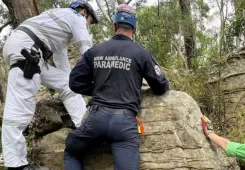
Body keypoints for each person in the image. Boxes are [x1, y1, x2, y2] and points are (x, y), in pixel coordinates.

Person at [63, 4, 169, 170]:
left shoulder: (94, 51)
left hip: (95, 120)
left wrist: (98, 89)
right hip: (124, 125)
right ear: (134, 29)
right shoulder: (141, 53)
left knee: (72, 152)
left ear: (114, 26)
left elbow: (74, 82)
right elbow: (160, 87)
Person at [1, 0, 98, 169]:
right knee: (20, 107)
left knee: (68, 84)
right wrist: (101, 80)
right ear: (84, 12)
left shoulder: (60, 25)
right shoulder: (76, 18)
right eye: (90, 22)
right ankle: (16, 165)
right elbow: (87, 51)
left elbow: (63, 66)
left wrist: (76, 83)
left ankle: (82, 125)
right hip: (27, 50)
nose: (89, 26)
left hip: (30, 49)